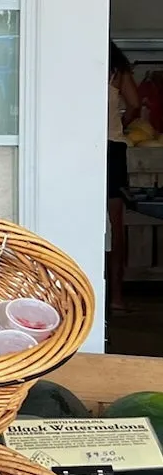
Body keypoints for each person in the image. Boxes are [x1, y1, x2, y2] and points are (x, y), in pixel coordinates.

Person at [108, 41, 142, 314]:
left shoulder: (73, 64)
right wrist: (120, 124)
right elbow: (134, 105)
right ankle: (117, 297)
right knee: (115, 224)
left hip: (80, 147)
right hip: (112, 148)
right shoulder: (117, 70)